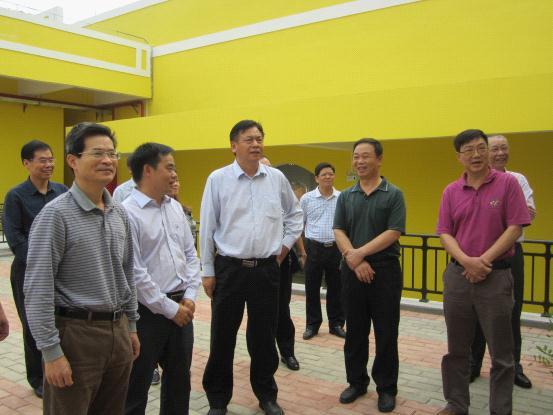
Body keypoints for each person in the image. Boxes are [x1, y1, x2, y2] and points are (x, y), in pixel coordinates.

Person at [24, 122, 140, 415]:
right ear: (72, 161)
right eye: (97, 153)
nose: (108, 160)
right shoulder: (55, 215)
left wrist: (131, 325)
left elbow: (127, 274)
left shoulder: (120, 213)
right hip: (76, 336)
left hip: (117, 331)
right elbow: (38, 289)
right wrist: (51, 352)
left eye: (112, 154)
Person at [200, 120, 303, 415]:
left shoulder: (276, 179)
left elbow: (295, 215)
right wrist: (208, 271)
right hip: (229, 269)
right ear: (234, 146)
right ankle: (218, 400)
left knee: (263, 337)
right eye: (249, 139)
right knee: (222, 336)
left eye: (259, 138)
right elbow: (207, 227)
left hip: (266, 270)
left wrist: (283, 249)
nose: (256, 144)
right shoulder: (218, 179)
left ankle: (266, 395)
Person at [436, 129, 531, 415]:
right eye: (468, 150)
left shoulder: (508, 183)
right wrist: (467, 261)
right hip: (458, 277)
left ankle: (500, 410)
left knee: (502, 353)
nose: (476, 155)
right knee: (457, 350)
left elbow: (515, 226)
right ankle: (456, 404)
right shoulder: (451, 191)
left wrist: (482, 261)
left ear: (488, 151)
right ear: (459, 157)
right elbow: (444, 233)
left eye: (481, 148)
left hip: (496, 277)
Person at [123, 143, 201, 415]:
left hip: (182, 309)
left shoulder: (175, 208)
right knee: (136, 387)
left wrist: (190, 296)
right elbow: (134, 271)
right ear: (148, 170)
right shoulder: (127, 213)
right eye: (169, 167)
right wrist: (169, 309)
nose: (174, 174)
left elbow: (190, 255)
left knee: (179, 383)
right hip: (146, 314)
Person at [333, 138, 406, 413]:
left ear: (379, 159)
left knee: (386, 332)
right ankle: (356, 382)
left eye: (365, 156)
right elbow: (338, 229)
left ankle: (386, 388)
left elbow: (394, 231)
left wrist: (359, 254)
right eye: (356, 156)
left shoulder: (393, 194)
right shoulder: (346, 196)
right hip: (352, 271)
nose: (360, 161)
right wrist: (353, 259)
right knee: (355, 331)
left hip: (385, 271)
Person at [469, 134, 536, 389]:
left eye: (503, 148)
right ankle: (473, 363)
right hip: (476, 256)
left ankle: (513, 366)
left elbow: (527, 215)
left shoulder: (517, 179)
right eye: (494, 149)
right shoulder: (472, 181)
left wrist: (499, 213)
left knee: (511, 312)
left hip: (510, 255)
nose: (500, 153)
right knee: (475, 312)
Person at [2, 140, 68, 397]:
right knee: (32, 326)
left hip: (61, 271)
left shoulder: (62, 191)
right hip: (28, 272)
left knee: (61, 323)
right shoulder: (16, 196)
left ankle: (59, 367)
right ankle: (38, 378)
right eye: (43, 160)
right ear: (26, 163)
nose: (49, 164)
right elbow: (15, 238)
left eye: (51, 159)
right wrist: (43, 263)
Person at [259, 157, 303, 372]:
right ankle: (262, 355)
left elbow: (295, 224)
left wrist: (287, 252)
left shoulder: (281, 196)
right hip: (252, 263)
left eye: (268, 167)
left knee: (281, 309)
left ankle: (287, 352)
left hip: (279, 262)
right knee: (259, 312)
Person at [300, 162, 345, 341]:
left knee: (336, 288)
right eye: (324, 174)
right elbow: (299, 225)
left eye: (330, 174)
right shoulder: (307, 199)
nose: (328, 177)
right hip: (314, 248)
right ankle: (312, 325)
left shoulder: (342, 198)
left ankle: (336, 324)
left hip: (336, 248)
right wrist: (303, 251)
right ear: (316, 178)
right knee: (312, 288)